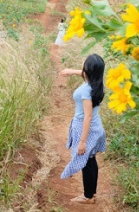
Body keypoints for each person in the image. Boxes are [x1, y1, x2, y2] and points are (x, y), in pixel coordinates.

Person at [59, 54, 106, 204]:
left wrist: (83, 142)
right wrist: (71, 71)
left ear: (88, 69)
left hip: (86, 126)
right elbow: (86, 74)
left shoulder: (86, 90)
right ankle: (91, 193)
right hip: (95, 126)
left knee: (86, 160)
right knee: (90, 159)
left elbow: (87, 116)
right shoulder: (97, 82)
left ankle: (88, 196)